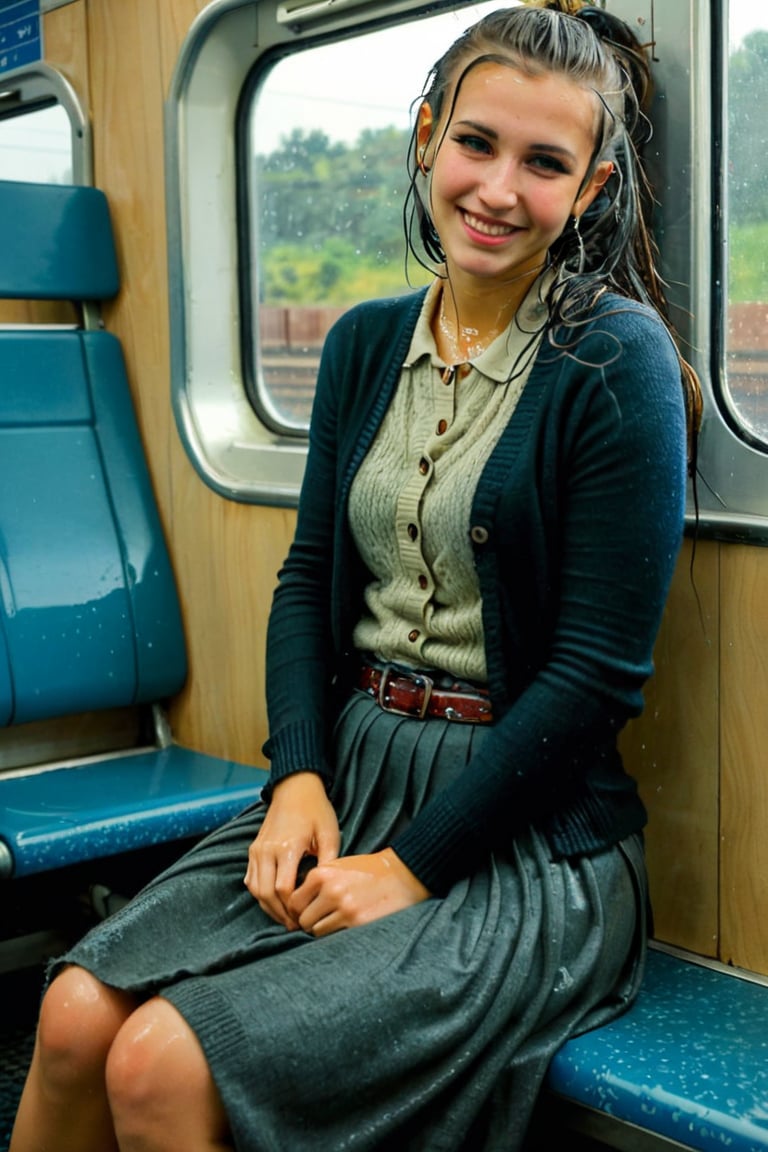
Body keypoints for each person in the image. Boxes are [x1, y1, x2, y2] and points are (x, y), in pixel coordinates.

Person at [10, 3, 701, 1150]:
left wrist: (417, 868)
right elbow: (309, 580)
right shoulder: (364, 345)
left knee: (163, 1066)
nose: (497, 188)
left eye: (545, 163)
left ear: (587, 191)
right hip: (351, 772)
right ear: (427, 134)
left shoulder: (610, 358)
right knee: (77, 1011)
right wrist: (297, 777)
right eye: (477, 142)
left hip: (528, 834)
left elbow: (592, 680)